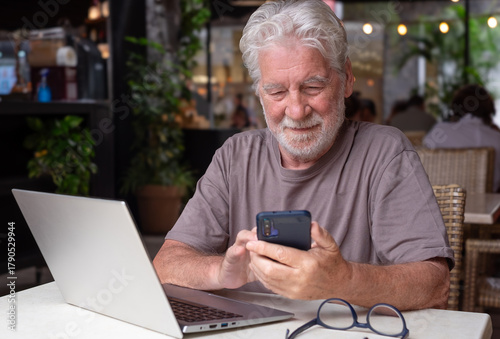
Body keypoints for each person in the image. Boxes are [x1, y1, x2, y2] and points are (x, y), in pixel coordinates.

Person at [153, 0, 452, 311]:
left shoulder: (385, 153)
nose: (296, 111)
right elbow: (165, 264)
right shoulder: (235, 157)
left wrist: (341, 280)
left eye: (312, 86)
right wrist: (222, 271)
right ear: (259, 93)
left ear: (347, 78)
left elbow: (433, 285)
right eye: (277, 92)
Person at [423, 84, 500, 192]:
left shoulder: (440, 132)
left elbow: (423, 160)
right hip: (489, 206)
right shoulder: (496, 138)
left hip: (444, 204)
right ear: (489, 109)